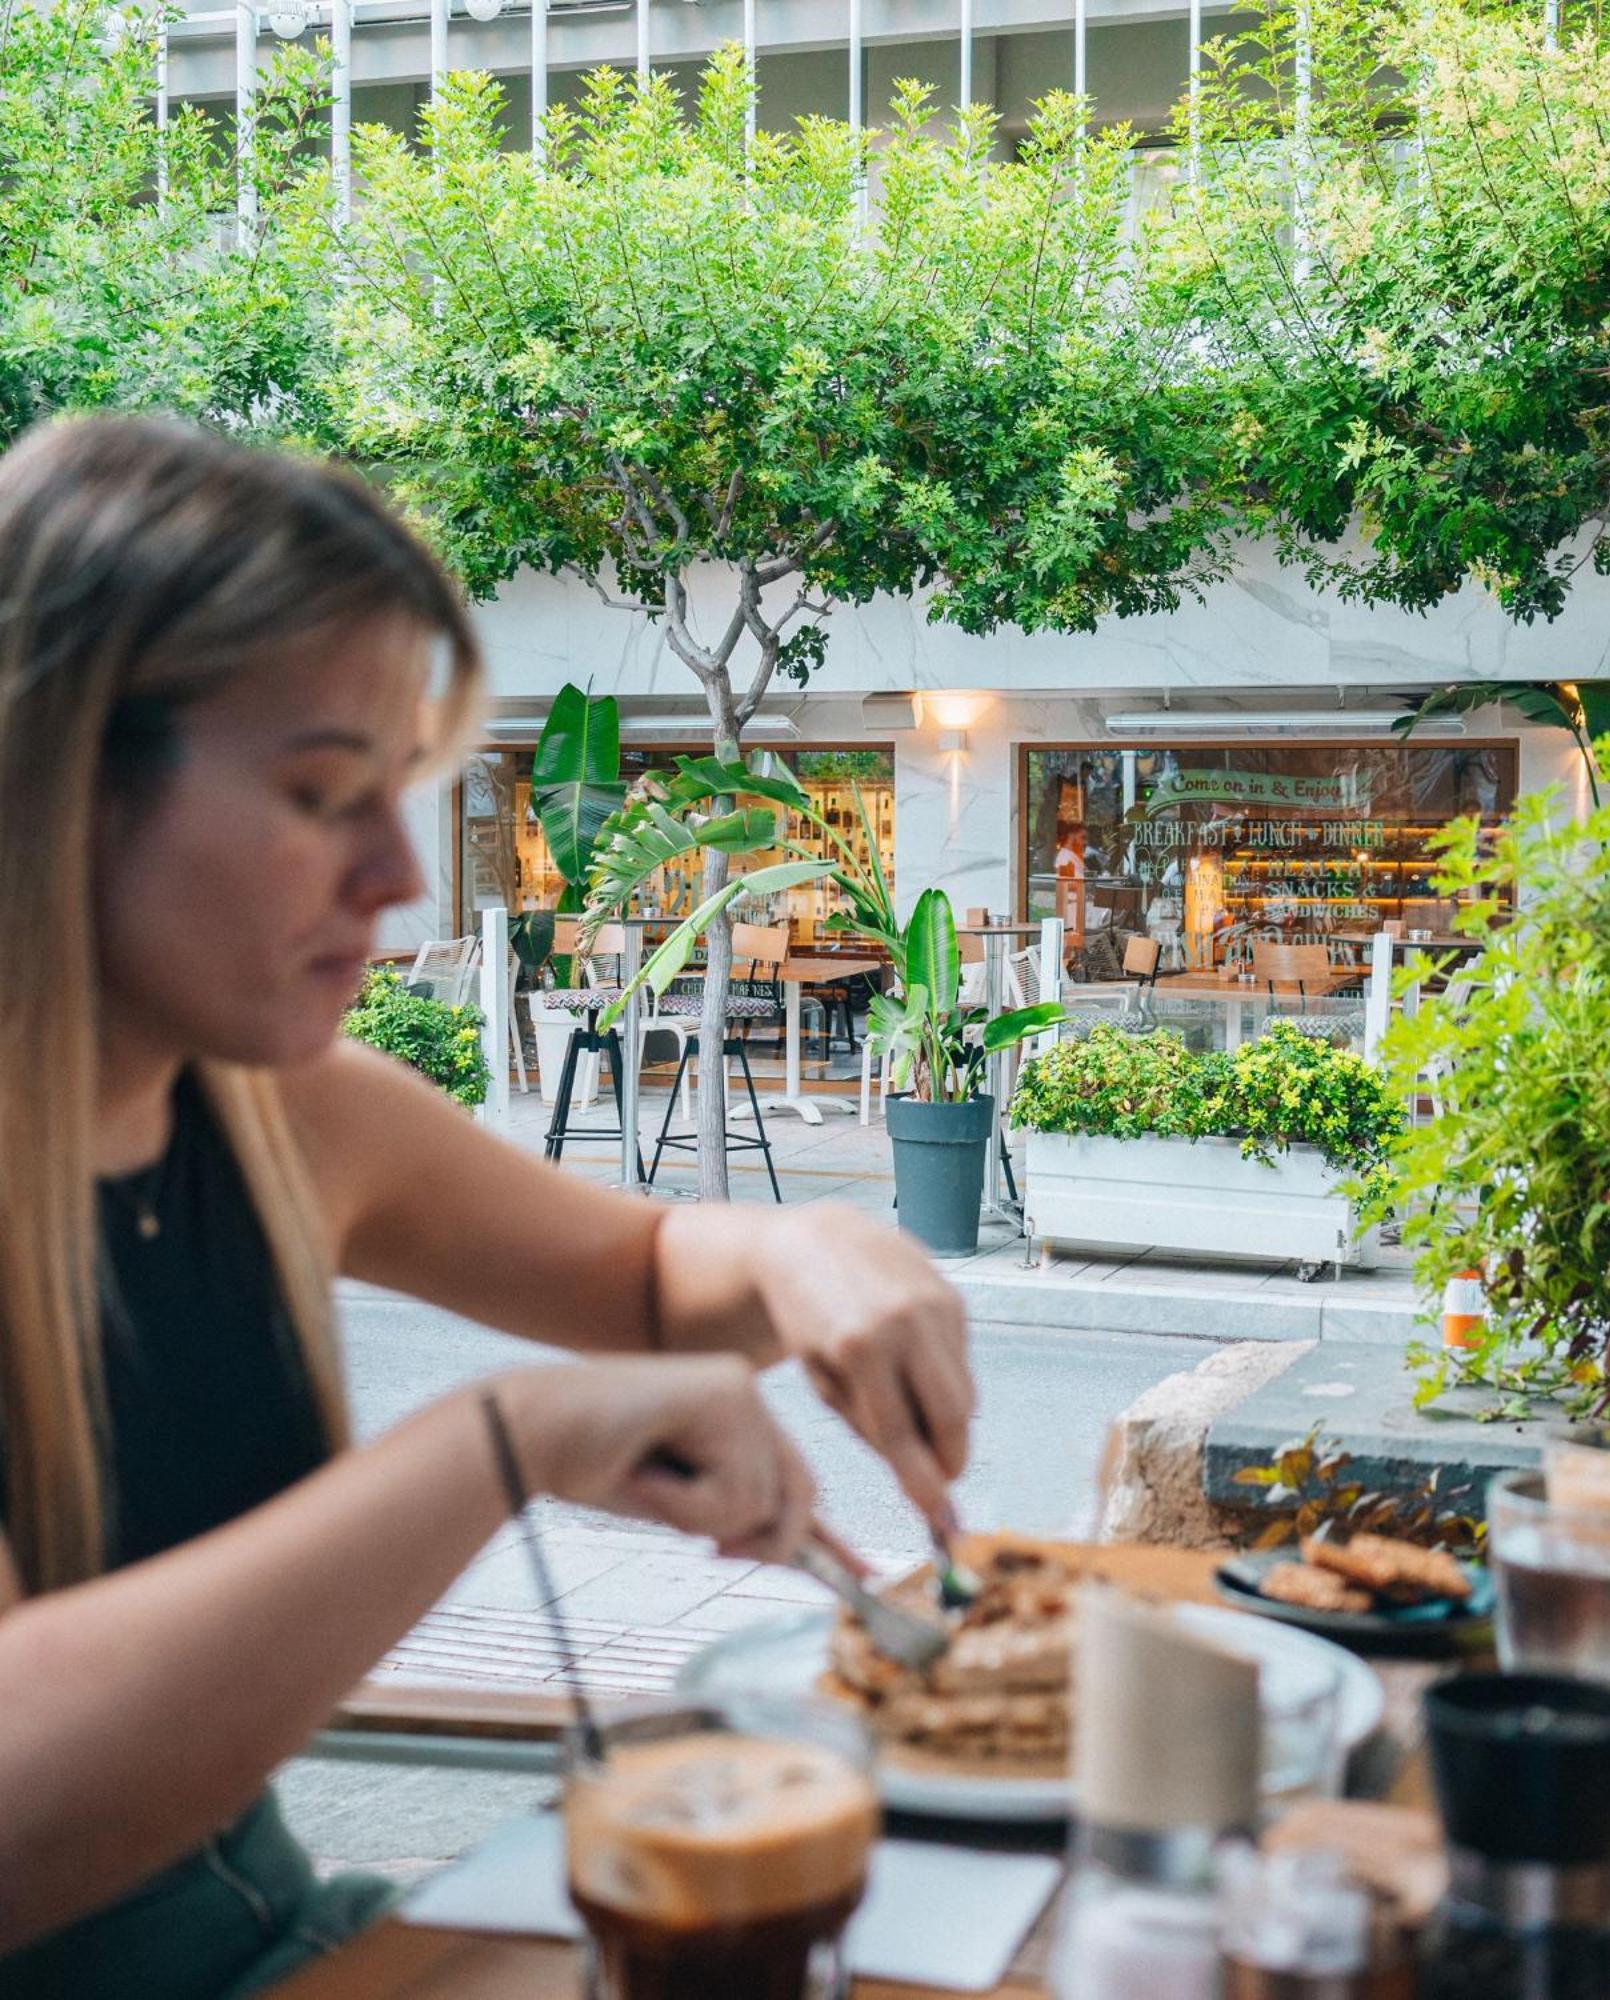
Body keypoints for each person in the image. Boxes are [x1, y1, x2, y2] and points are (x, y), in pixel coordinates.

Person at [0, 416, 974, 1998]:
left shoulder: (270, 1115)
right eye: (326, 795)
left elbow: (652, 1274)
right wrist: (502, 1448)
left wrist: (816, 1246)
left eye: (401, 793)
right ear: (60, 781)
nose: (398, 873)